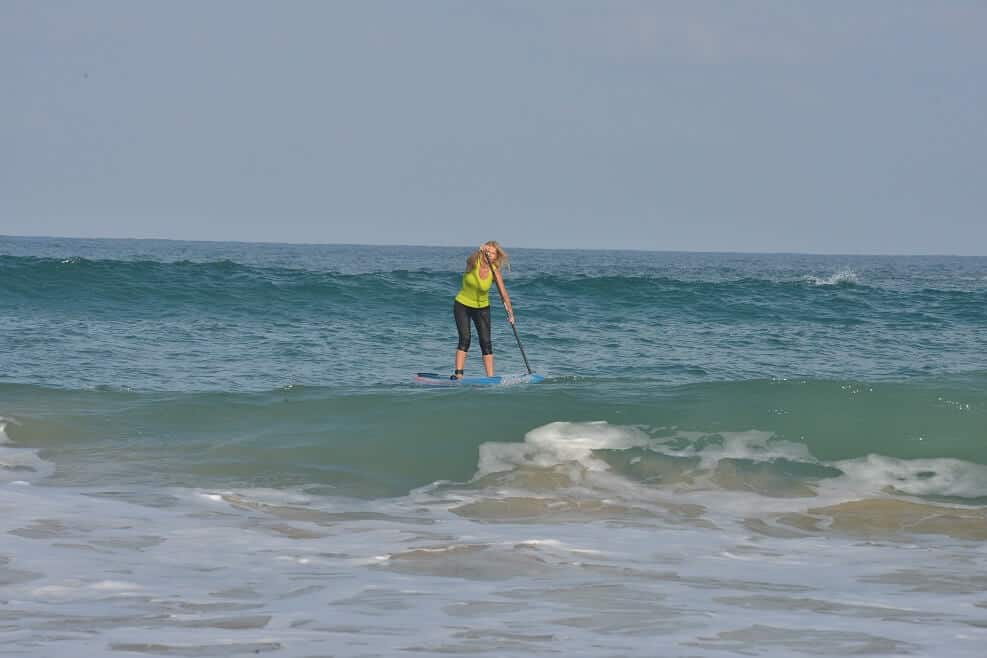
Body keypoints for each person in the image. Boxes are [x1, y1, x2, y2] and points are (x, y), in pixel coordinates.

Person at [451, 241, 514, 379]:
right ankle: (459, 374)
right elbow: (469, 259)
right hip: (462, 305)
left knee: (486, 342)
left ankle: (490, 378)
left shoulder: (494, 270)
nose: (489, 255)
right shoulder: (474, 261)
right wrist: (478, 251)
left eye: (492, 253)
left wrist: (510, 313)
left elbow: (503, 293)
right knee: (465, 339)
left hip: (482, 308)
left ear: (495, 257)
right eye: (487, 252)